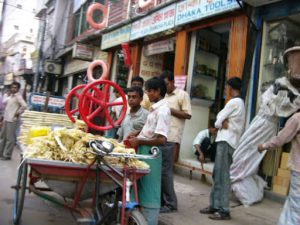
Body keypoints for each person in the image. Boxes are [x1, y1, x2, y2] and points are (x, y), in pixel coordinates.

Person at [200, 77, 245, 220]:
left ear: (230, 88)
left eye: (227, 87)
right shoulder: (239, 103)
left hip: (226, 142)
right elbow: (221, 120)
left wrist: (222, 122)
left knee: (222, 176)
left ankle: (224, 210)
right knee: (218, 174)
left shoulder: (234, 102)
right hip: (227, 141)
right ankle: (215, 205)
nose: (226, 90)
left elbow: (218, 120)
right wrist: (222, 121)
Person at [128, 77, 170, 225]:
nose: (147, 94)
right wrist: (138, 133)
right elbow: (151, 130)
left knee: (149, 189)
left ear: (157, 92)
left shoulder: (163, 110)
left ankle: (149, 220)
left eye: (149, 91)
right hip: (144, 149)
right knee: (139, 184)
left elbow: (161, 139)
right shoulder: (154, 109)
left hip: (151, 152)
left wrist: (140, 140)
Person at [257, 112, 300, 225]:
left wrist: (264, 146)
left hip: (299, 171)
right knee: (293, 203)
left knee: (296, 208)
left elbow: (281, 139)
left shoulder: (297, 119)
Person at [159, 70, 192, 213]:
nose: (165, 87)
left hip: (171, 137)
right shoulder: (162, 96)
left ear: (172, 82)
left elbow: (187, 115)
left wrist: (169, 110)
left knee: (166, 172)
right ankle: (161, 201)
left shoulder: (182, 95)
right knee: (159, 171)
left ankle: (171, 203)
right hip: (159, 137)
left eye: (166, 84)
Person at [0, 82, 27, 160]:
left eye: (15, 87)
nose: (13, 89)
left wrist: (17, 113)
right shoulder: (11, 96)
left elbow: (24, 106)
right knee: (3, 137)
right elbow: (6, 105)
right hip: (6, 119)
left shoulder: (18, 96)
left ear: (18, 89)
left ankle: (7, 155)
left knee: (10, 139)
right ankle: (1, 153)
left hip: (12, 120)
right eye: (12, 87)